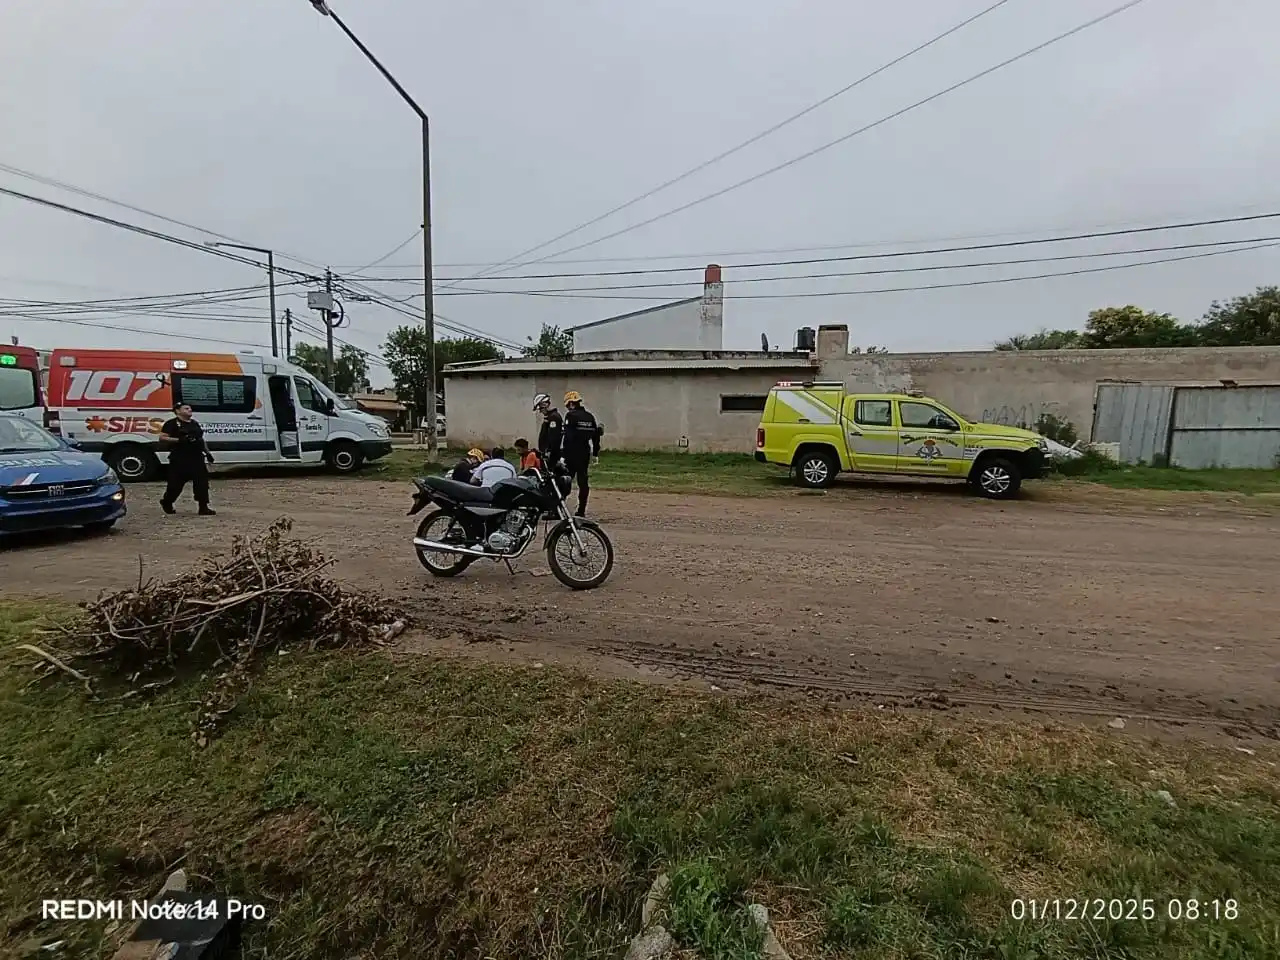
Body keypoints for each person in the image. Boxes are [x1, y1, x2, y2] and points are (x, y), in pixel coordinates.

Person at [158, 401, 215, 516]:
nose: (189, 410)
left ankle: (203, 507)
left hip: (196, 457)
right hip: (180, 458)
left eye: (190, 408)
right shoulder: (172, 424)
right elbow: (162, 438)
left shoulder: (194, 423)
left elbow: (200, 439)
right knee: (175, 485)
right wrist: (180, 440)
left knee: (202, 483)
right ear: (177, 411)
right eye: (186, 408)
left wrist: (207, 453)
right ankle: (167, 502)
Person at [561, 390, 601, 517]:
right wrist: (595, 452)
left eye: (568, 405)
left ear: (571, 404)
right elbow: (596, 436)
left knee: (566, 480)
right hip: (584, 452)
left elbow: (568, 437)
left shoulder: (570, 416)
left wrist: (563, 454)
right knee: (583, 482)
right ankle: (581, 510)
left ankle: (558, 508)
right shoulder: (589, 416)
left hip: (572, 453)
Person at [533, 393, 563, 464]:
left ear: (545, 405)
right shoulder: (549, 417)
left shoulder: (553, 418)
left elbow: (554, 437)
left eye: (540, 408)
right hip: (548, 453)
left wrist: (549, 451)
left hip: (551, 454)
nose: (540, 411)